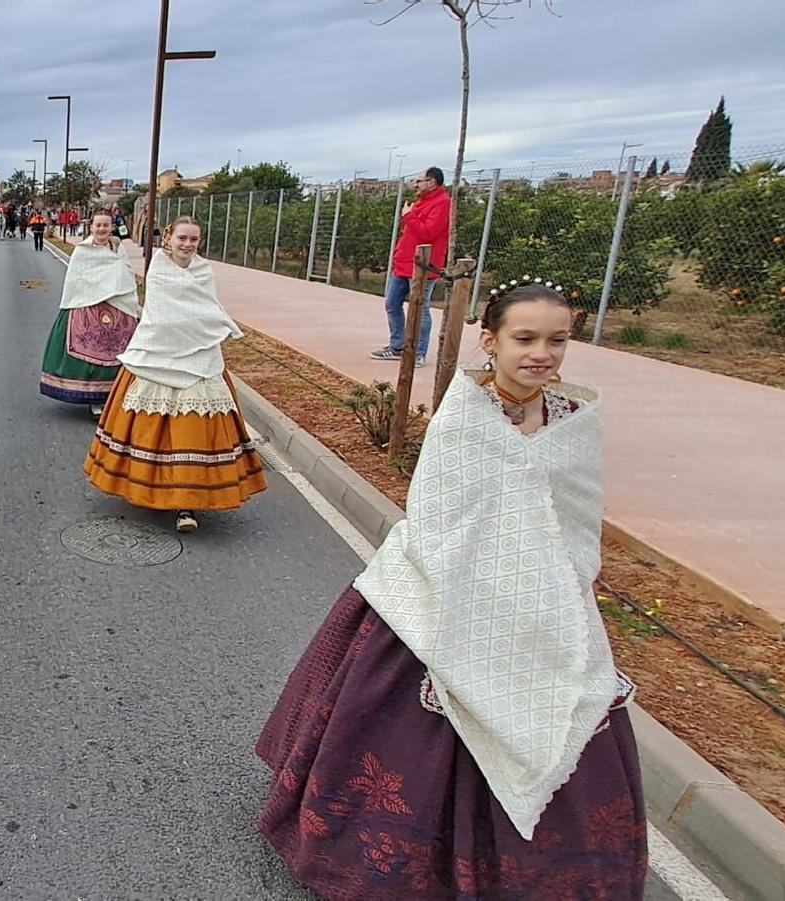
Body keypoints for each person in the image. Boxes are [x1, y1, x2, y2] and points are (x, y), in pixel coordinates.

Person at [258, 279, 644, 899]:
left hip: (546, 597)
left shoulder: (574, 420)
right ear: (490, 341)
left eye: (557, 340)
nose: (541, 352)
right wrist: (481, 598)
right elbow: (439, 518)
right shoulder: (464, 417)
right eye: (525, 338)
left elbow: (576, 517)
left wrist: (561, 588)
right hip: (449, 590)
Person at [84, 217, 266, 533]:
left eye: (194, 239)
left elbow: (207, 310)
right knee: (150, 432)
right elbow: (162, 315)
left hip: (200, 361)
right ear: (169, 238)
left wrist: (208, 327)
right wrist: (192, 328)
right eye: (183, 238)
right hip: (158, 356)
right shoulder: (158, 269)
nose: (188, 244)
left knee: (195, 435)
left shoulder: (203, 271)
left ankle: (187, 503)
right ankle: (147, 488)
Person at [41, 212, 140, 415]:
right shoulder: (82, 251)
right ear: (91, 227)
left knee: (118, 352)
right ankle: (94, 399)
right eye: (98, 225)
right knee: (91, 352)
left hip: (117, 305)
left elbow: (126, 273)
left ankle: (113, 396)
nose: (102, 229)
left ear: (111, 227)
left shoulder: (118, 249)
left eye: (106, 225)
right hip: (88, 305)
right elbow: (76, 280)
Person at [371, 166, 452, 365]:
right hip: (403, 264)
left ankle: (419, 352)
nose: (415, 185)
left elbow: (428, 233)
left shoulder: (443, 204)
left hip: (423, 266)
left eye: (419, 181)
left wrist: (408, 216)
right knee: (392, 303)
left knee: (421, 308)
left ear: (431, 182)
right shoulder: (420, 203)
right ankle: (397, 346)